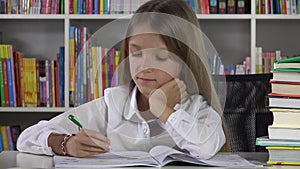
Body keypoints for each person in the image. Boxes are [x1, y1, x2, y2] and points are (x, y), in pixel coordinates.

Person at [17, 0, 227, 159]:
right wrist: (65, 143)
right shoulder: (112, 104)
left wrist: (163, 109)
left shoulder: (198, 108)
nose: (144, 67)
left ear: (184, 62)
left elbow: (205, 147)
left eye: (160, 57)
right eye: (136, 54)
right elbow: (27, 137)